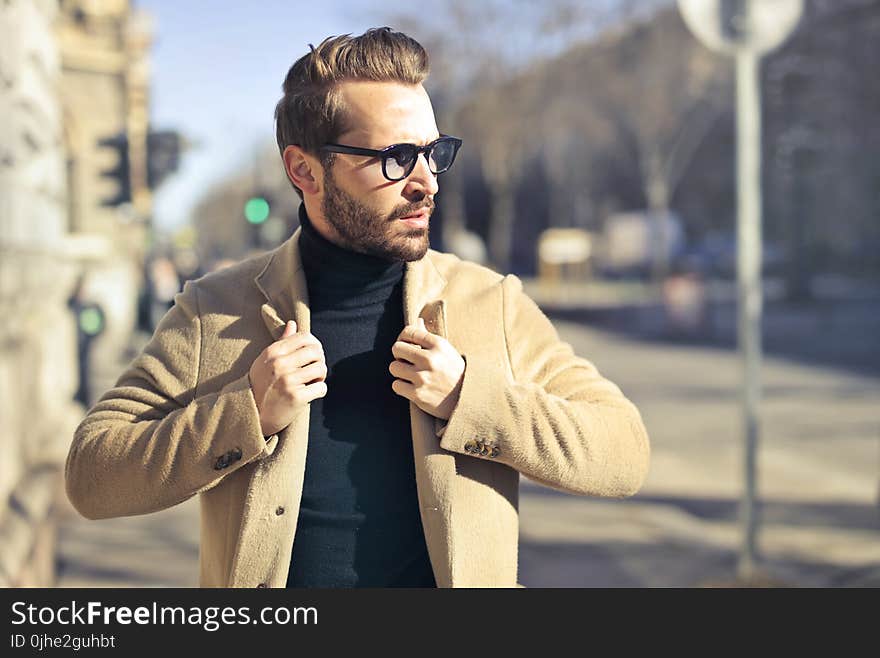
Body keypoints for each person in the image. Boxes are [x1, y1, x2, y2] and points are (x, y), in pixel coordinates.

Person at [65, 27, 650, 588]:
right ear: (305, 170)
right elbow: (91, 476)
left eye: (433, 153)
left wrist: (472, 400)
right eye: (396, 157)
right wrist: (246, 414)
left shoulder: (491, 303)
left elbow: (622, 453)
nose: (426, 182)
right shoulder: (214, 311)